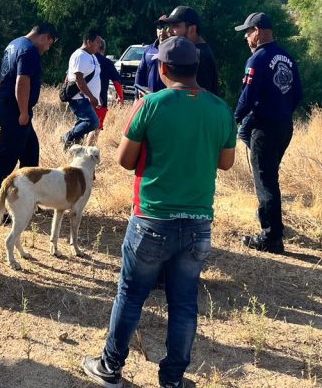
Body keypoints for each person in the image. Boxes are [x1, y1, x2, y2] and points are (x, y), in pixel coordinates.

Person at [82, 37, 236, 388]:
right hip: (198, 224)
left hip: (152, 218)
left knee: (131, 295)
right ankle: (173, 380)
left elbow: (124, 160)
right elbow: (226, 163)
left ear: (163, 69)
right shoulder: (220, 108)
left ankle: (109, 368)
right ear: (195, 68)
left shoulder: (150, 105)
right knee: (184, 304)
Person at [0, 23, 58, 223]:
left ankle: (25, 203)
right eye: (50, 43)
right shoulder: (29, 51)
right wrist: (23, 112)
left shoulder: (15, 44)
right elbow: (22, 81)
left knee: (30, 153)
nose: (48, 48)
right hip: (15, 110)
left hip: (8, 107)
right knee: (5, 159)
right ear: (45, 37)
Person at [233, 12, 302, 254]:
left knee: (265, 181)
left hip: (265, 127)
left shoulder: (258, 59)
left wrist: (236, 118)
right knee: (270, 177)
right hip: (284, 125)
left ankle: (271, 237)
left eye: (248, 32)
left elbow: (248, 96)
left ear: (259, 31)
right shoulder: (288, 57)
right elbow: (298, 94)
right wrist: (281, 111)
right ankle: (271, 223)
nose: (246, 37)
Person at [161, 6, 220, 96]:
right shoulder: (195, 52)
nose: (169, 30)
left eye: (176, 26)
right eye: (169, 26)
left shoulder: (198, 55)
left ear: (192, 29)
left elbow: (197, 97)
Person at [61, 30, 103, 149]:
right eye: (98, 42)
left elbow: (94, 77)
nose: (100, 45)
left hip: (87, 98)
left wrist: (97, 97)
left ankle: (71, 150)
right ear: (89, 42)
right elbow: (79, 79)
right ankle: (67, 137)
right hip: (79, 98)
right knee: (93, 122)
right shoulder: (80, 55)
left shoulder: (92, 56)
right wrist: (91, 97)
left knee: (82, 127)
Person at [94, 38, 125, 130]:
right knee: (96, 128)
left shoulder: (86, 59)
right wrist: (120, 98)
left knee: (84, 125)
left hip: (83, 100)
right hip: (100, 101)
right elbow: (117, 82)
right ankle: (89, 145)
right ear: (103, 48)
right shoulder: (107, 62)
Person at [134, 19, 170, 97]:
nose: (162, 31)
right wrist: (137, 93)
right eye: (159, 27)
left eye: (165, 27)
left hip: (168, 98)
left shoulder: (175, 49)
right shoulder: (149, 49)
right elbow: (140, 71)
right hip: (150, 97)